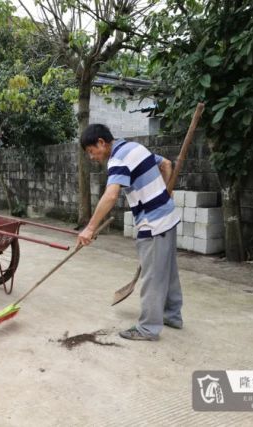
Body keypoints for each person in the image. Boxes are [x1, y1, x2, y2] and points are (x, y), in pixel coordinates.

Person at [76, 124, 183, 341]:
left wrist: (90, 228)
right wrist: (163, 193)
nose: (92, 157)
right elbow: (166, 164)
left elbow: (111, 195)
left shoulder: (117, 160)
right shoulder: (136, 148)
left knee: (152, 277)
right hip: (168, 217)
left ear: (101, 143)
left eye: (91, 151)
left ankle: (148, 329)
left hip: (153, 224)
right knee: (168, 271)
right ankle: (172, 315)